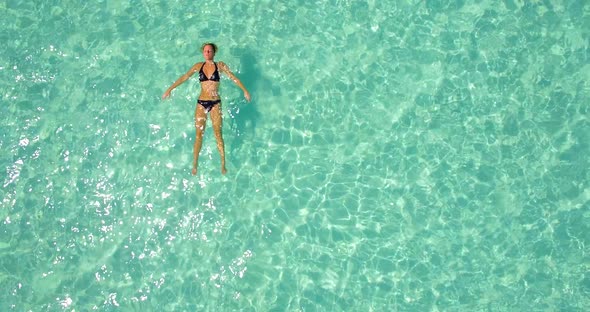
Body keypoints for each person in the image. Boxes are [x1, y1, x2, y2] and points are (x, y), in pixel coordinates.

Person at [162, 43, 251, 175]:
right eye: (205, 51)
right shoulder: (199, 66)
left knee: (218, 134)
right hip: (201, 103)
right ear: (203, 53)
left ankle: (223, 164)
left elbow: (233, 78)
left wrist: (245, 91)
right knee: (199, 135)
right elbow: (184, 77)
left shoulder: (220, 65)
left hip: (215, 103)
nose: (207, 52)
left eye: (210, 51)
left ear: (214, 52)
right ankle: (195, 164)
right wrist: (170, 89)